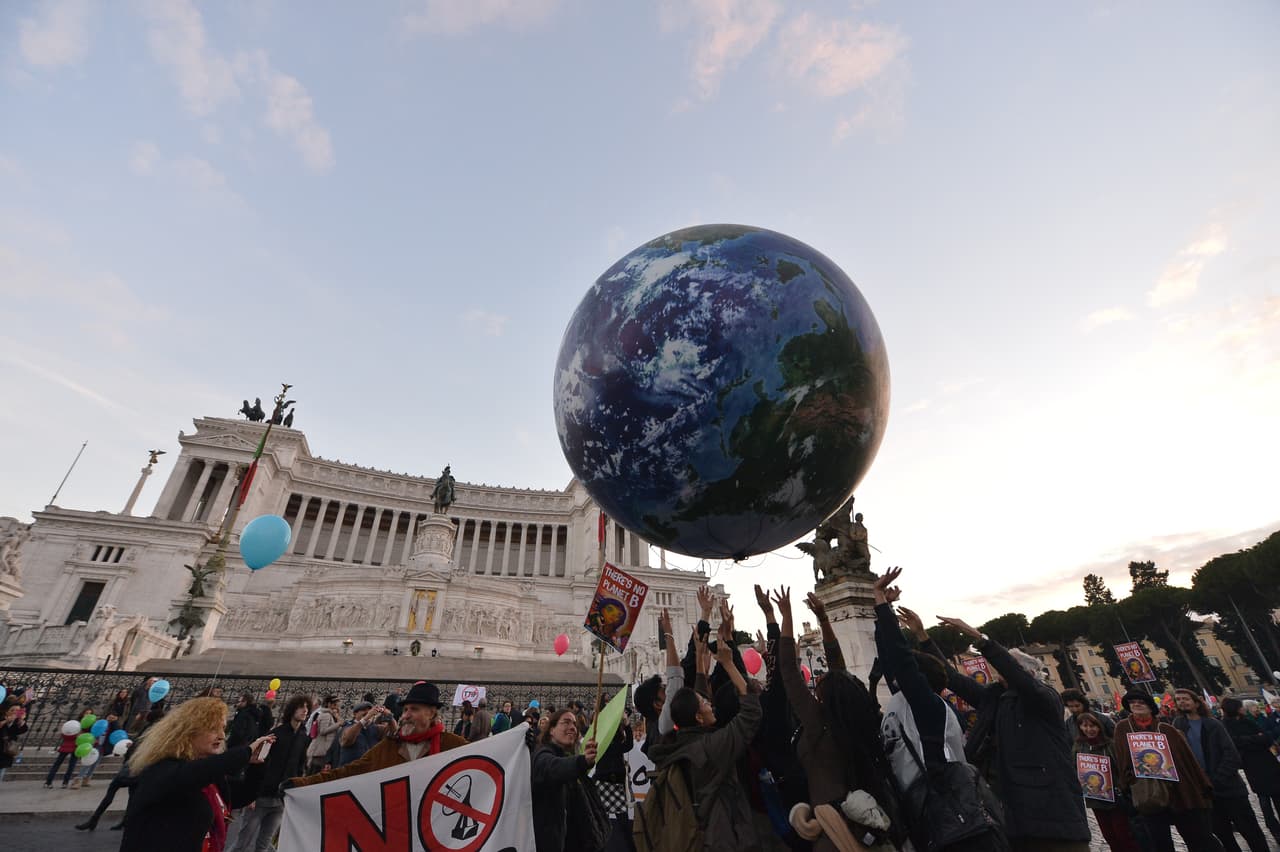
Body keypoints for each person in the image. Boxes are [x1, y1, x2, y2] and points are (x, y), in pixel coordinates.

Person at [934, 607, 1091, 852]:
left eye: (1011, 666)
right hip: (1013, 813)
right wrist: (922, 637)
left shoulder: (1045, 698)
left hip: (1054, 817)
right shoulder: (996, 698)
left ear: (1029, 673)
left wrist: (979, 638)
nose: (1000, 668)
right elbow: (953, 679)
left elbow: (1016, 676)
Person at [879, 571, 1004, 852]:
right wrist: (882, 611)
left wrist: (879, 604)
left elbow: (900, 660)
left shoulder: (930, 708)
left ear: (918, 682)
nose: (899, 675)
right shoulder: (905, 701)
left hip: (951, 817)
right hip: (925, 808)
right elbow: (889, 659)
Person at [772, 584, 898, 849]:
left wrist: (786, 616)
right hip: (866, 818)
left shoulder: (819, 723)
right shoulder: (855, 717)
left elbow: (788, 672)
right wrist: (823, 619)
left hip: (832, 831)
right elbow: (840, 672)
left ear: (825, 697)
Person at [648, 617, 763, 851]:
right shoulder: (712, 746)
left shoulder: (671, 745)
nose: (710, 704)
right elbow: (751, 713)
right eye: (705, 703)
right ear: (698, 717)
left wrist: (700, 661)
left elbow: (696, 693)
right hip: (723, 837)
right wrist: (729, 665)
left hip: (690, 836)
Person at [119, 697, 273, 852]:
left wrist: (257, 765)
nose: (221, 735)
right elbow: (193, 774)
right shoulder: (161, 768)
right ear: (188, 731)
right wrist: (245, 753)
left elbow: (242, 795)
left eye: (223, 728)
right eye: (213, 728)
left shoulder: (211, 777)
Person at [287, 682, 466, 788]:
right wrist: (301, 784)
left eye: (414, 709)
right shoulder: (391, 746)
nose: (405, 715)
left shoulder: (452, 745)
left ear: (432, 713)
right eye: (404, 710)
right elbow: (351, 770)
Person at [1113, 690, 1220, 851]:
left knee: (1196, 837)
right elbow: (1122, 759)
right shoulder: (1122, 728)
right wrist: (1128, 783)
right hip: (1147, 792)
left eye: (1141, 702)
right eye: (1132, 703)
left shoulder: (1166, 729)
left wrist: (1202, 786)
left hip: (1178, 791)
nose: (1136, 705)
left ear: (1150, 707)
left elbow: (1186, 760)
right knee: (1159, 841)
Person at [1172, 689, 1268, 852]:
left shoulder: (1213, 724)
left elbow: (1231, 754)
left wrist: (1218, 778)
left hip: (1229, 788)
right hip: (1206, 793)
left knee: (1250, 831)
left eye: (1186, 698)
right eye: (1179, 699)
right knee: (1223, 835)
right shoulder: (1178, 725)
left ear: (1196, 702)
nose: (1182, 702)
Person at [227, 695, 312, 852]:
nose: (305, 710)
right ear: (292, 709)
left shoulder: (303, 738)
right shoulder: (276, 734)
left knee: (264, 844)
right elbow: (258, 763)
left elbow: (300, 768)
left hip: (280, 799)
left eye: (307, 707)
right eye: (301, 706)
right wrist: (250, 793)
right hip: (260, 796)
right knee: (242, 842)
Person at [531, 708, 603, 851]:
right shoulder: (542, 754)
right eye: (566, 722)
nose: (572, 728)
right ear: (551, 730)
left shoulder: (565, 757)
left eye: (575, 724)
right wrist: (582, 761)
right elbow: (554, 767)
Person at [1073, 711, 1141, 852]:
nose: (1089, 729)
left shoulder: (1110, 745)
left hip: (1115, 798)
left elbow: (1121, 768)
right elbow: (1074, 768)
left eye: (1092, 726)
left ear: (1099, 727)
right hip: (1095, 799)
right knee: (1109, 836)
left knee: (1123, 834)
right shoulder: (1079, 747)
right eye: (1085, 726)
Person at [1221, 697, 1280, 847]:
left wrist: (1252, 740)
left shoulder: (1246, 721)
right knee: (1264, 800)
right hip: (1252, 766)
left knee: (1278, 796)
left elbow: (1266, 738)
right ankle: (1274, 829)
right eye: (1240, 707)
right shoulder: (1226, 725)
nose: (1243, 709)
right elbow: (1236, 742)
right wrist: (1256, 739)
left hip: (1269, 763)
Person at [332, 703, 390, 768]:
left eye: (369, 710)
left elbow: (394, 732)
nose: (368, 712)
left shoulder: (375, 728)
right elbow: (347, 739)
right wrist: (366, 718)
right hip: (350, 770)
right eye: (363, 710)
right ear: (355, 714)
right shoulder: (347, 726)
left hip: (369, 770)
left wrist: (389, 716)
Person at [45, 712, 84, 788]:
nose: (87, 715)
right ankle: (49, 781)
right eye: (86, 713)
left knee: (71, 766)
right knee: (58, 764)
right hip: (68, 745)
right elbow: (64, 734)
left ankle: (65, 782)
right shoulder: (75, 724)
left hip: (75, 746)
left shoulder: (83, 726)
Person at [304, 694, 342, 774]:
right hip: (320, 750)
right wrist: (338, 724)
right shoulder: (326, 715)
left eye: (338, 706)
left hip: (323, 750)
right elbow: (323, 731)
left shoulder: (330, 715)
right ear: (329, 704)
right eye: (335, 705)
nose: (337, 707)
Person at [0, 702, 28, 783]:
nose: (14, 712)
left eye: (17, 711)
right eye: (12, 710)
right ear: (7, 711)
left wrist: (21, 721)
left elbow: (23, 730)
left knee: (2, 769)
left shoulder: (17, 722)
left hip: (7, 749)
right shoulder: (2, 718)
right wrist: (6, 721)